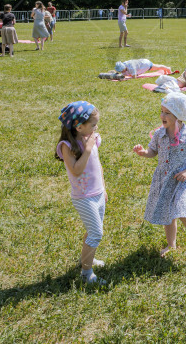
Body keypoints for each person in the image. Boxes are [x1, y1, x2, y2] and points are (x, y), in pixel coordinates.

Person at [132, 93, 186, 256]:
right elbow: (152, 152)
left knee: (183, 209)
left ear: (179, 116)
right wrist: (143, 152)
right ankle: (171, 245)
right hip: (164, 180)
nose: (162, 115)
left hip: (181, 180)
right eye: (162, 111)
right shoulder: (159, 134)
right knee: (168, 214)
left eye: (167, 113)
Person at [55, 101, 108, 285]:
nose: (96, 127)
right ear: (78, 127)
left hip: (98, 193)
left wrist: (103, 187)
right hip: (84, 197)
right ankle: (86, 274)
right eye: (93, 124)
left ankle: (88, 258)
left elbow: (98, 164)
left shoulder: (92, 138)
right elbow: (76, 170)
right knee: (96, 233)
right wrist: (86, 148)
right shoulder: (67, 146)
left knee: (92, 231)